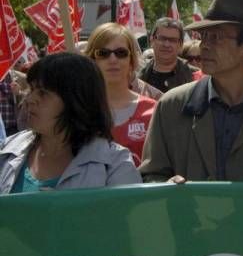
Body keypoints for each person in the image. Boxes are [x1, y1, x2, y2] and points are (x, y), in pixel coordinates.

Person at [139, 0, 243, 182]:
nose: (204, 45)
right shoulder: (171, 106)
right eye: (203, 36)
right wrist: (166, 187)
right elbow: (151, 175)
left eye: (216, 37)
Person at [0, 53, 141, 194]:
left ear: (76, 100)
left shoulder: (114, 165)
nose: (30, 99)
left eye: (43, 93)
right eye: (31, 90)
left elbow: (128, 215)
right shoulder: (7, 151)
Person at [85, 23, 157, 166]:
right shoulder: (76, 110)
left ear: (131, 61)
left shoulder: (154, 111)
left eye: (121, 53)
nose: (113, 59)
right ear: (92, 59)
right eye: (103, 53)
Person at [138, 18, 198, 93]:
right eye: (162, 38)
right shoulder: (137, 75)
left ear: (180, 44)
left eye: (173, 40)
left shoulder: (194, 76)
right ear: (152, 40)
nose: (166, 44)